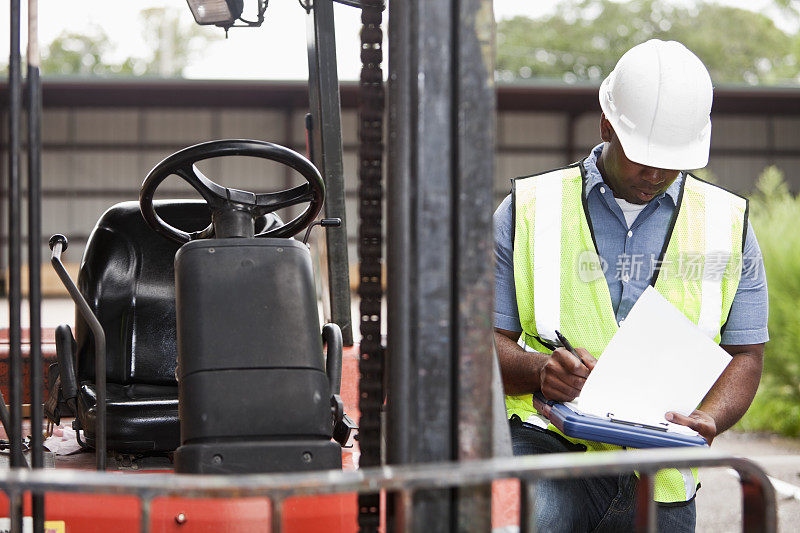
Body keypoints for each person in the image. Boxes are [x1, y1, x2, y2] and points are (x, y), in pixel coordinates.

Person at [493, 39, 768, 532]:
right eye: (643, 155)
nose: (656, 173)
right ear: (606, 125)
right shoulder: (527, 210)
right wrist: (540, 372)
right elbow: (481, 346)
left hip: (664, 472)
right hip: (550, 447)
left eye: (672, 158)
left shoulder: (729, 223)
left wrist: (710, 419)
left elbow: (746, 355)